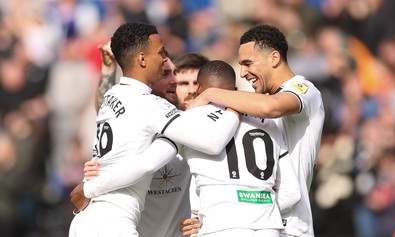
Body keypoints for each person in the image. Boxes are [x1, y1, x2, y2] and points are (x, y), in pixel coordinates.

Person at [82, 60, 301, 237]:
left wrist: (91, 186)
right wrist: (254, 206)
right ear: (233, 90)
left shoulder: (186, 125)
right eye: (181, 83)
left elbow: (144, 163)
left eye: (192, 84)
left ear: (200, 89)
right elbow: (292, 193)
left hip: (219, 225)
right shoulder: (267, 123)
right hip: (269, 225)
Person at [68, 22, 239, 237]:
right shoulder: (151, 106)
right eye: (159, 53)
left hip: (87, 220)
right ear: (141, 59)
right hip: (114, 222)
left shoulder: (114, 96)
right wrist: (236, 107)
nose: (164, 59)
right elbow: (211, 142)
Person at [188, 25, 325, 237]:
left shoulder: (304, 90)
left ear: (274, 58)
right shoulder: (251, 103)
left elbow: (271, 108)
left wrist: (211, 93)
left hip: (292, 227)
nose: (243, 73)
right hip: (254, 225)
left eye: (248, 63)